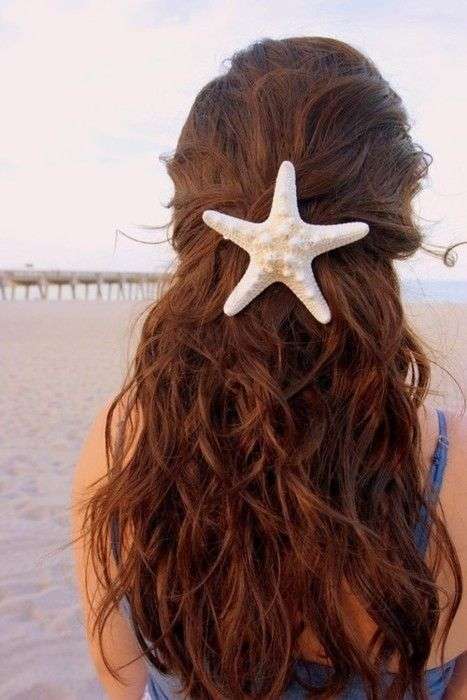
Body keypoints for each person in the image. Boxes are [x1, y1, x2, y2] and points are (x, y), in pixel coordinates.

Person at [71, 36, 467, 699]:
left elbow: (119, 678)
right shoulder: (457, 467)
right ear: (393, 214)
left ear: (191, 212)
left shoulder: (123, 440)